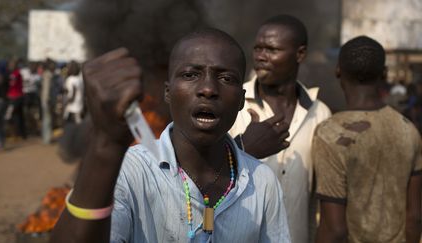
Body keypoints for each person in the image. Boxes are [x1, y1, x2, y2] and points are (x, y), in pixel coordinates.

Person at [50, 28, 290, 243]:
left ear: (240, 99)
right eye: (190, 75)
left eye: (226, 78)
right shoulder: (129, 171)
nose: (208, 89)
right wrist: (106, 144)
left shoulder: (262, 182)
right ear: (168, 93)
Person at [229, 14, 331, 243]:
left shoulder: (320, 113)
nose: (260, 57)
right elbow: (205, 173)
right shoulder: (234, 103)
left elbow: (321, 196)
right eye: (257, 49)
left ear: (300, 54)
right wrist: (243, 149)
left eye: (271, 50)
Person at [313, 36, 422, 243]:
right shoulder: (408, 130)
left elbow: (333, 229)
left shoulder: (330, 134)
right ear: (385, 74)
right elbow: (415, 217)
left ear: (338, 71)